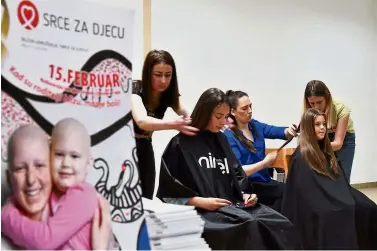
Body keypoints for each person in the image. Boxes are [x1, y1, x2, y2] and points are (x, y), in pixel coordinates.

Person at [156, 88, 298, 250]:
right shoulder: (180, 144)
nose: (223, 122)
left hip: (231, 206)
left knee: (278, 223)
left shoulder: (221, 139)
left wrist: (245, 195)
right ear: (204, 113)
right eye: (218, 117)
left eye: (225, 117)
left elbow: (235, 178)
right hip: (203, 211)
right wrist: (202, 202)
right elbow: (168, 194)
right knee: (250, 226)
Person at [1, 120, 117, 250]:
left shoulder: (84, 194)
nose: (66, 163)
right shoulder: (51, 197)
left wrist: (6, 218)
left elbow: (45, 240)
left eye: (74, 156)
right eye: (59, 154)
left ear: (89, 163)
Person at [281, 108, 377, 250]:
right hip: (316, 201)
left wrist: (343, 195)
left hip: (337, 193)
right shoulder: (301, 156)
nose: (322, 128)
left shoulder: (326, 150)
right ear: (308, 127)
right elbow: (306, 191)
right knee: (339, 212)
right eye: (317, 124)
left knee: (369, 207)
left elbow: (337, 179)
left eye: (324, 124)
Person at [131, 50, 199, 199]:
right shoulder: (135, 89)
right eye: (158, 74)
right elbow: (142, 121)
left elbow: (190, 117)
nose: (163, 80)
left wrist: (216, 120)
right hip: (126, 149)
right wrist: (174, 125)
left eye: (168, 75)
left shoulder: (169, 95)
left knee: (145, 197)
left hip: (145, 148)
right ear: (148, 73)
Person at [222, 90, 297, 212]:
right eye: (244, 108)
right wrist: (265, 163)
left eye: (250, 106)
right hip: (248, 187)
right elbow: (239, 171)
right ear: (233, 111)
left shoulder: (255, 125)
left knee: (292, 192)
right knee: (286, 194)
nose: (250, 111)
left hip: (265, 182)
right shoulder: (229, 136)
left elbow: (276, 131)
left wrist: (289, 131)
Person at [303, 80, 355, 183]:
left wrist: (313, 148)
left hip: (344, 139)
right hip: (321, 140)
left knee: (342, 176)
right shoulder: (307, 110)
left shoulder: (341, 109)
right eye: (312, 103)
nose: (316, 107)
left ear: (327, 97)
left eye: (319, 102)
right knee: (321, 176)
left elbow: (338, 143)